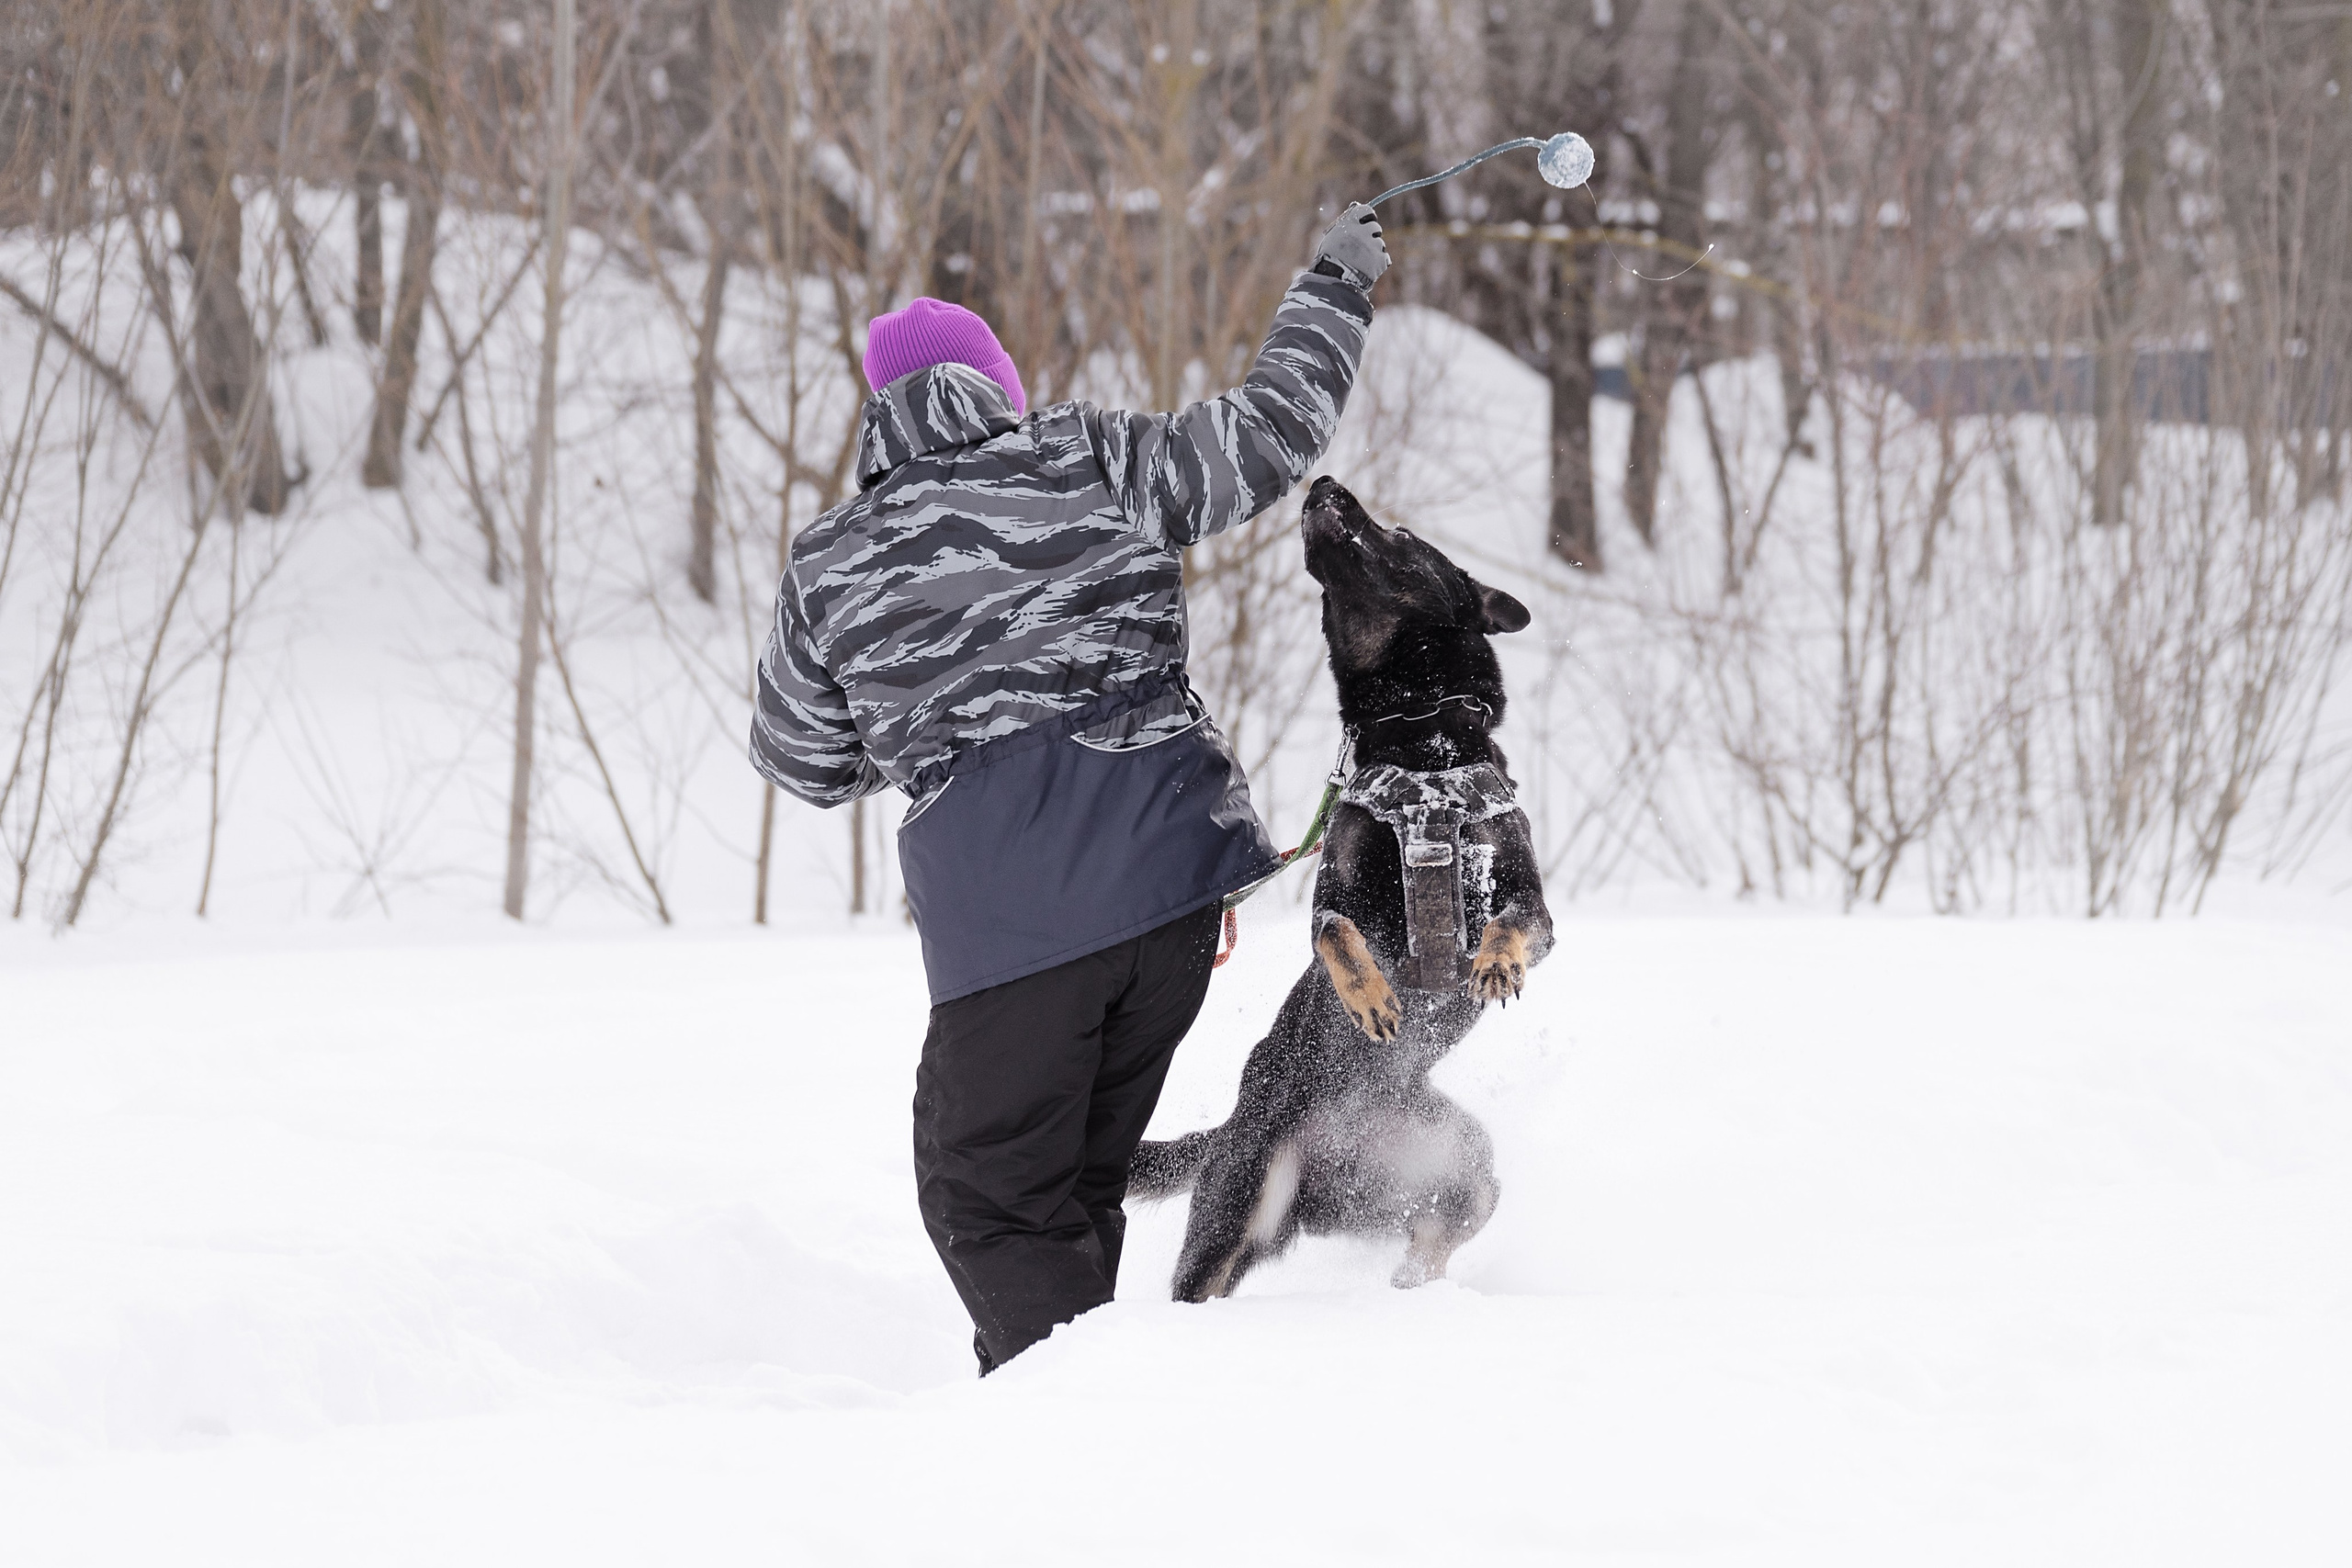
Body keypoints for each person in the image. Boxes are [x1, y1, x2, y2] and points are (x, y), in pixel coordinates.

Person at [749, 203, 1391, 1373]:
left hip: (1015, 935)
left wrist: (913, 714)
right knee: (1077, 1180)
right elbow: (1267, 435)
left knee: (986, 1195)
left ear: (879, 415)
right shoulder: (1090, 456)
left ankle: (1066, 1440)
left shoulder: (831, 559)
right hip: (1171, 905)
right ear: (995, 386)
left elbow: (801, 759)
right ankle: (1095, 1422)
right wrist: (1332, 287)